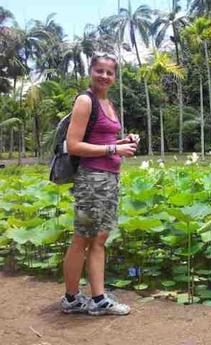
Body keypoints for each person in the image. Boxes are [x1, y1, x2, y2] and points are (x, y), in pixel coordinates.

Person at [60, 52, 139, 316]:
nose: (104, 76)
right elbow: (74, 145)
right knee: (82, 238)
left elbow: (106, 138)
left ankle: (98, 298)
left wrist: (123, 140)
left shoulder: (108, 102)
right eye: (100, 71)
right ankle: (71, 298)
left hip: (108, 179)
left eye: (110, 72)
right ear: (91, 71)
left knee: (99, 239)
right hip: (92, 179)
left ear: (115, 77)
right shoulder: (85, 101)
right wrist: (112, 148)